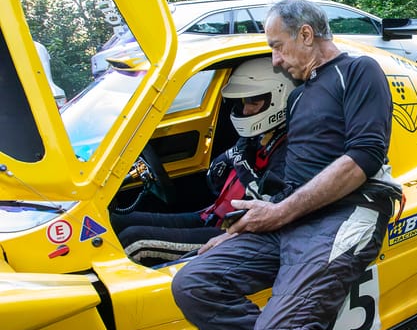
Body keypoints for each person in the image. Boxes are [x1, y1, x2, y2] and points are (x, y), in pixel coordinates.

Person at [172, 0, 415, 330]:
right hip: (295, 218)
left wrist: (280, 212)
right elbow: (294, 183)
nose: (275, 60)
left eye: (277, 46)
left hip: (349, 211)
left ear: (305, 34)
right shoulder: (299, 95)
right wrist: (240, 229)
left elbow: (364, 157)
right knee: (194, 283)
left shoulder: (358, 71)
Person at [111, 58, 290, 265]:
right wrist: (233, 160)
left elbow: (270, 203)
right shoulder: (254, 138)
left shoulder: (288, 149)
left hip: (234, 233)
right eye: (243, 102)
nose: (246, 110)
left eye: (254, 102)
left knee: (134, 241)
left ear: (279, 97)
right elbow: (214, 181)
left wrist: (239, 162)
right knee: (117, 221)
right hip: (211, 215)